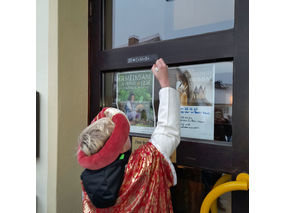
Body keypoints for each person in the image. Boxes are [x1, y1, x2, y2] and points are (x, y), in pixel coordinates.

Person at [77, 58, 180, 212]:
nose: (126, 134)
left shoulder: (88, 183)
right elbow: (167, 130)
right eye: (121, 135)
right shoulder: (142, 165)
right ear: (116, 148)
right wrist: (165, 84)